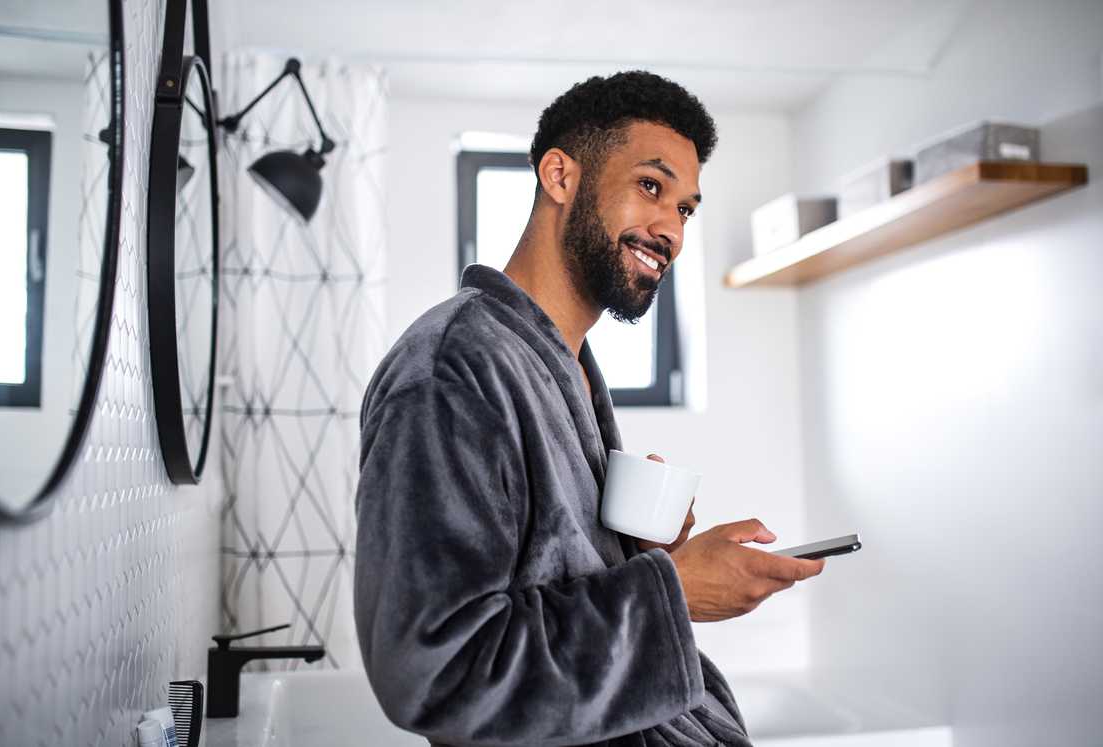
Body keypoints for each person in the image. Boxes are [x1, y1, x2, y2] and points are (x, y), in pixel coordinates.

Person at [354, 70, 826, 747]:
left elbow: (544, 571)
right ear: (560, 175)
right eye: (651, 187)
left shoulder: (565, 360)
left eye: (686, 208)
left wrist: (637, 554)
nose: (671, 230)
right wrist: (673, 592)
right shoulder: (450, 369)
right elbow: (435, 669)